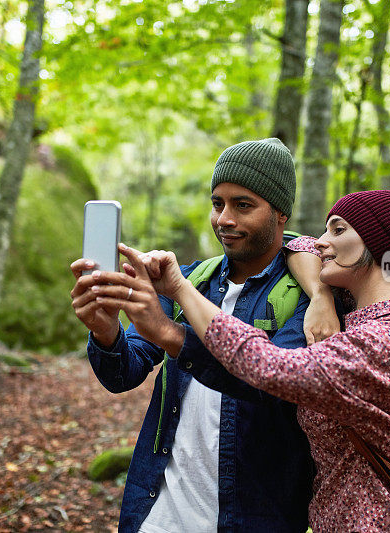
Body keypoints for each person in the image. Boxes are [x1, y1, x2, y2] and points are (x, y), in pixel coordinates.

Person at [94, 190, 390, 532]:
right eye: (217, 204)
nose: (321, 242)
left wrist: (178, 299)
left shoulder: (388, 341)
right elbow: (297, 243)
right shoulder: (384, 311)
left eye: (338, 230)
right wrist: (321, 293)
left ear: (380, 247)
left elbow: (270, 367)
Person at [70, 138, 340, 532]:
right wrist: (106, 329)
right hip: (158, 511)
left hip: (254, 515)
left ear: (281, 212)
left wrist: (171, 333)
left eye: (242, 205)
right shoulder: (193, 279)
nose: (224, 219)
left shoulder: (309, 298)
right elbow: (122, 374)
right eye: (218, 204)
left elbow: (276, 384)